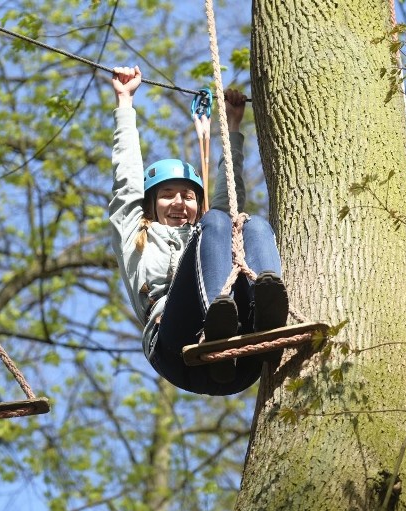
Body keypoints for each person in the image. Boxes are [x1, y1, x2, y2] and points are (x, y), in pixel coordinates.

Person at [109, 65, 289, 396]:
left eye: (189, 196)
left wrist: (232, 125)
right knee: (217, 221)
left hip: (241, 360)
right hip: (177, 347)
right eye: (167, 195)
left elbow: (229, 195)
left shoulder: (206, 232)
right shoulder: (134, 230)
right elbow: (127, 177)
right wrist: (125, 105)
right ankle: (216, 319)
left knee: (246, 223)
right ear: (150, 204)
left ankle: (268, 312)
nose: (179, 202)